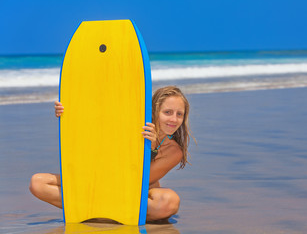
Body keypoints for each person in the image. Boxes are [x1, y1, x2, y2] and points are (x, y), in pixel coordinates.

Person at [29, 86, 193, 222]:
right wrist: (66, 113)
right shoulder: (131, 125)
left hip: (131, 194)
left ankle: (96, 209)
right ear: (154, 111)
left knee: (169, 202)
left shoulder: (173, 151)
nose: (174, 119)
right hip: (101, 183)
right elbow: (95, 124)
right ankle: (103, 210)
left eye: (179, 114)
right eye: (168, 112)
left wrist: (148, 147)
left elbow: (140, 180)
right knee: (38, 183)